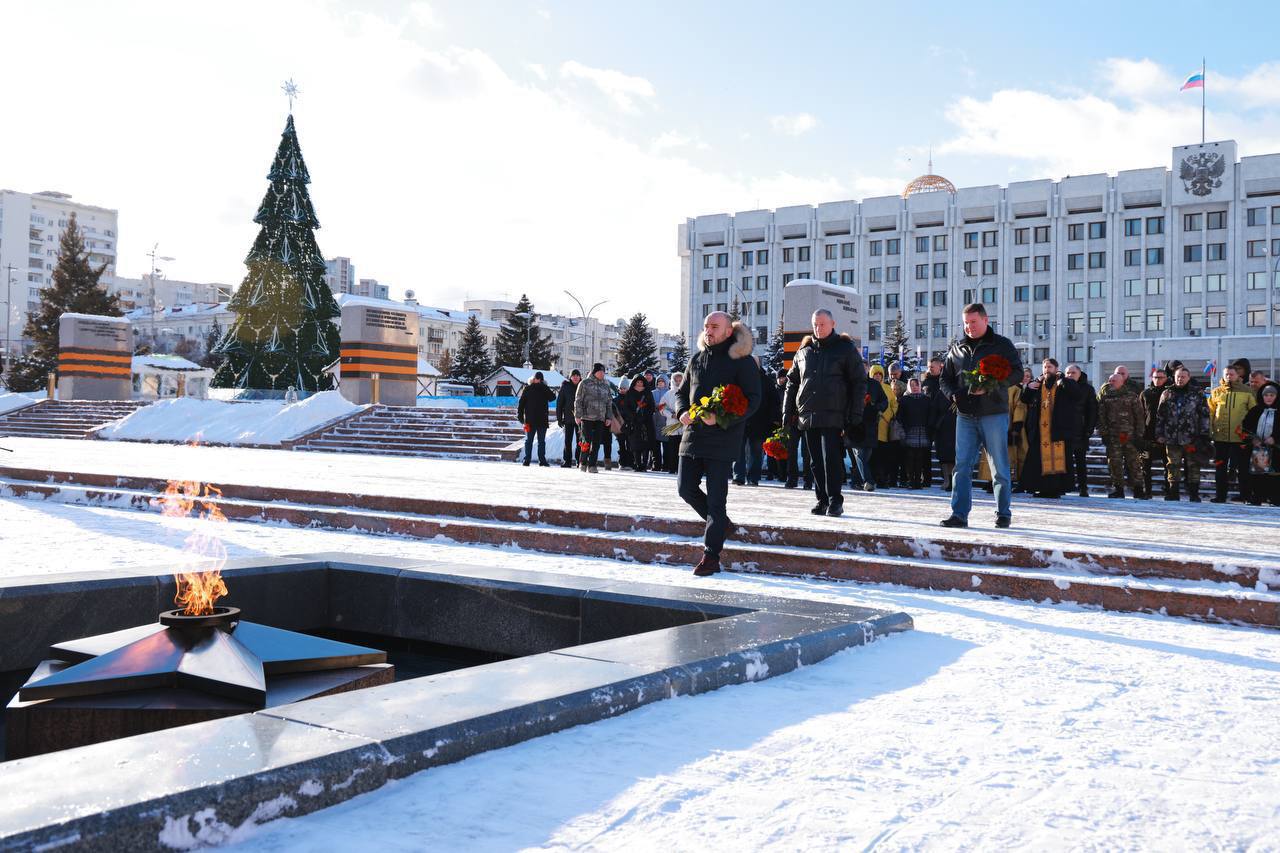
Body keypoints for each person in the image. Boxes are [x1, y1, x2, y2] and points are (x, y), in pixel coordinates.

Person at [676, 312, 761, 576]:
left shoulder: (741, 361)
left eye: (714, 326)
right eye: (705, 327)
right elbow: (681, 391)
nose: (708, 331)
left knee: (716, 501)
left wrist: (724, 418)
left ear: (727, 331)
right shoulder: (697, 358)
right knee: (685, 488)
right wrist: (681, 412)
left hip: (722, 439)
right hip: (693, 437)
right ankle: (721, 524)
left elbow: (753, 399)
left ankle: (711, 555)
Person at [938, 303, 1023, 528]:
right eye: (965, 323)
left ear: (985, 320)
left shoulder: (1001, 345)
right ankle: (959, 514)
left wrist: (992, 385)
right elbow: (944, 379)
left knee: (999, 466)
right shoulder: (957, 349)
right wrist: (953, 396)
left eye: (973, 322)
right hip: (965, 415)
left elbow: (1017, 373)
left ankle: (1003, 512)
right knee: (962, 466)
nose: (969, 327)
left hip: (993, 413)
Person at [783, 310, 867, 516]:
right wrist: (787, 411)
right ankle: (821, 500)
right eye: (815, 324)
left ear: (832, 323)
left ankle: (835, 500)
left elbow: (859, 382)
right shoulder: (804, 351)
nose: (818, 328)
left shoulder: (845, 348)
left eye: (822, 324)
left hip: (834, 413)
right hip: (808, 414)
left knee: (831, 458)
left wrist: (855, 414)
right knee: (814, 461)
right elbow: (792, 383)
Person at [1020, 358, 1082, 499]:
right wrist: (1029, 388)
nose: (1047, 369)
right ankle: (1039, 488)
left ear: (1056, 368)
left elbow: (1077, 395)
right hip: (1039, 431)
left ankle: (1055, 489)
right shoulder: (1037, 383)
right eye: (1045, 367)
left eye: (1050, 367)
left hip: (1057, 430)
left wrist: (1064, 381)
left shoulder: (1064, 382)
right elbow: (1024, 399)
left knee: (1057, 460)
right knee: (1038, 460)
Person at [1155, 366, 1211, 501]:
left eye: (1183, 377)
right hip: (1171, 437)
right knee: (1172, 466)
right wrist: (1159, 434)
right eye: (1178, 376)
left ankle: (1194, 494)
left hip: (1192, 438)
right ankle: (1173, 493)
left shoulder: (1197, 393)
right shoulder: (1167, 393)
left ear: (1188, 378)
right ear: (1174, 377)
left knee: (1193, 466)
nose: (1180, 379)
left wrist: (1204, 434)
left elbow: (1204, 415)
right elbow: (1160, 416)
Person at [1208, 364, 1255, 503]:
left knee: (1242, 468)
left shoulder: (1247, 391)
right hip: (1220, 437)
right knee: (1220, 467)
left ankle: (1245, 495)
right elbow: (1210, 412)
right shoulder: (1216, 392)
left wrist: (1248, 433)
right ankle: (1220, 496)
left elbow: (1253, 413)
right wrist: (1210, 430)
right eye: (1226, 374)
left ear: (1238, 376)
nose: (1229, 377)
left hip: (1240, 439)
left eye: (1231, 374)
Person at [1097, 372, 1146, 499]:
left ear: (1122, 382)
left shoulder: (1131, 396)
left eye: (1114, 380)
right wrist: (1104, 434)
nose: (1111, 382)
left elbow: (1140, 417)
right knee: (1114, 463)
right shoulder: (1105, 397)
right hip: (1113, 437)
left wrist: (1139, 435)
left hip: (1130, 437)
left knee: (1134, 463)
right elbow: (1101, 418)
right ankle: (1118, 489)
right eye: (1110, 380)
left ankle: (1138, 490)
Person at [737, 358, 777, 486]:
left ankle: (753, 477)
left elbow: (774, 401)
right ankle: (738, 476)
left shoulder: (766, 381)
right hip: (741, 420)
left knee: (756, 450)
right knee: (738, 449)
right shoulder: (739, 378)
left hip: (759, 421)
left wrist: (773, 420)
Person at [1239, 381, 1280, 506]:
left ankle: (1275, 498)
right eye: (1266, 395)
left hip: (1276, 450)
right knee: (1257, 474)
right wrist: (1253, 439)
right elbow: (1245, 428)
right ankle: (1257, 497)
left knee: (1274, 474)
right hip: (1257, 449)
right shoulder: (1255, 410)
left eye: (1272, 395)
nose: (1268, 398)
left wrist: (1275, 438)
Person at [1064, 364, 1097, 497]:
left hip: (1081, 431)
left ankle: (1083, 488)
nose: (1070, 375)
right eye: (1068, 373)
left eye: (1073, 373)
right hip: (1064, 430)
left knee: (1080, 461)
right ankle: (1066, 486)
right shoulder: (1061, 387)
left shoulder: (1087, 389)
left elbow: (1092, 411)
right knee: (1065, 461)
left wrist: (1089, 430)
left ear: (1079, 374)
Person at [574, 363, 614, 473]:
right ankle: (583, 462)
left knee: (596, 443)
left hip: (600, 418)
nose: (602, 374)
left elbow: (609, 403)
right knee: (586, 441)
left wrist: (608, 417)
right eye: (600, 372)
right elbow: (578, 400)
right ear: (594, 372)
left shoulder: (605, 386)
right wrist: (577, 415)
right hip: (587, 417)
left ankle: (592, 465)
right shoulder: (585, 383)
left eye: (603, 372)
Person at [867, 364, 899, 488]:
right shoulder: (868, 386)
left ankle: (882, 479)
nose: (878, 376)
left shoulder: (887, 388)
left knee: (883, 456)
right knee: (872, 456)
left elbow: (894, 404)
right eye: (875, 374)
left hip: (884, 427)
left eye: (880, 374)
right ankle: (872, 478)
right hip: (871, 426)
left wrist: (890, 414)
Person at [897, 377, 932, 489]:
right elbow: (900, 416)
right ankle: (911, 480)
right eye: (912, 385)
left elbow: (930, 416)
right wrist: (902, 430)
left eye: (916, 385)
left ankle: (918, 480)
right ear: (908, 387)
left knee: (920, 458)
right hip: (909, 431)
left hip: (923, 431)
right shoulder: (904, 400)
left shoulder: (926, 400)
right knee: (909, 457)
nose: (915, 387)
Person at [1140, 367, 1170, 498]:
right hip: (1147, 436)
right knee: (1145, 467)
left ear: (1166, 378)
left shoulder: (1170, 393)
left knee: (1167, 467)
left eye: (1161, 377)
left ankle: (1169, 493)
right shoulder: (1145, 394)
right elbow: (1140, 413)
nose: (1158, 380)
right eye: (1155, 377)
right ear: (1152, 378)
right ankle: (1147, 492)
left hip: (1165, 437)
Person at [516, 371, 556, 467]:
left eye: (540, 379)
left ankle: (542, 460)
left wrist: (544, 387)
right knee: (529, 440)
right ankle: (527, 459)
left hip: (542, 420)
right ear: (533, 379)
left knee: (541, 441)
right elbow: (521, 404)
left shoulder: (544, 389)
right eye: (536, 378)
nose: (538, 380)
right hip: (529, 420)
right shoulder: (528, 389)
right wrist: (520, 416)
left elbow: (552, 397)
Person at [619, 376, 657, 472]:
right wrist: (633, 416)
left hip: (646, 422)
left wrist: (645, 415)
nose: (639, 384)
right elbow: (626, 407)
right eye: (638, 382)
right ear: (634, 383)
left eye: (641, 382)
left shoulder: (648, 393)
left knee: (646, 444)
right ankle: (637, 464)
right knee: (635, 444)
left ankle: (644, 465)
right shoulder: (630, 393)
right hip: (634, 422)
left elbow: (652, 407)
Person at [921, 357, 945, 486]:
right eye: (929, 367)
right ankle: (926, 478)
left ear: (940, 367)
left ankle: (946, 478)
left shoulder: (944, 381)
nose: (929, 369)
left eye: (932, 367)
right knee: (925, 451)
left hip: (942, 421)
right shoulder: (926, 382)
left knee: (943, 451)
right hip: (927, 421)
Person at [556, 369, 582, 468]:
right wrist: (559, 418)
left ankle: (579, 460)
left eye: (577, 375)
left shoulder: (583, 386)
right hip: (568, 419)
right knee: (568, 441)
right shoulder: (565, 387)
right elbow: (560, 403)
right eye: (573, 375)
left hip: (580, 419)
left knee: (580, 441)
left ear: (580, 377)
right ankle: (567, 460)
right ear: (570, 377)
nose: (575, 377)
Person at [659, 372, 684, 473]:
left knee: (682, 448)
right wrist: (671, 415)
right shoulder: (668, 394)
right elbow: (661, 408)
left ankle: (681, 468)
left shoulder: (687, 392)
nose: (678, 382)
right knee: (672, 448)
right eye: (676, 380)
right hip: (672, 424)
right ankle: (672, 467)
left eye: (680, 380)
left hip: (684, 424)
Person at [650, 376, 669, 473]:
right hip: (655, 421)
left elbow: (670, 405)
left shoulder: (669, 393)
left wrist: (662, 406)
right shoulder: (652, 393)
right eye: (659, 381)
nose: (660, 383)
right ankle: (656, 464)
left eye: (662, 381)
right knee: (655, 446)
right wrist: (656, 406)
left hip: (666, 421)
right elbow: (649, 404)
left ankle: (666, 465)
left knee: (667, 446)